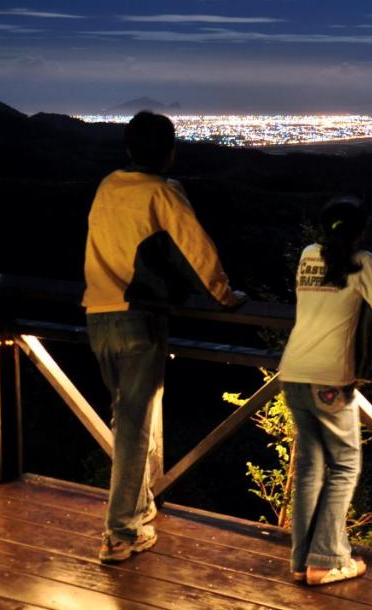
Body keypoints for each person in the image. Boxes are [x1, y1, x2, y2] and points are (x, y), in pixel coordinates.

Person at [83, 110, 244, 563]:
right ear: (170, 152)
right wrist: (224, 296)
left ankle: (140, 506)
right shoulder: (164, 191)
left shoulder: (108, 185)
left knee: (131, 416)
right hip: (138, 318)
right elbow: (198, 249)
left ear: (130, 150)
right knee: (134, 424)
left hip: (97, 314)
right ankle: (120, 532)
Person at [280, 196, 372, 585]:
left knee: (311, 469)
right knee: (346, 465)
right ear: (361, 231)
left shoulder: (307, 254)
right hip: (330, 378)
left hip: (293, 371)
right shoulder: (361, 262)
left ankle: (302, 562)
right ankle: (326, 560)